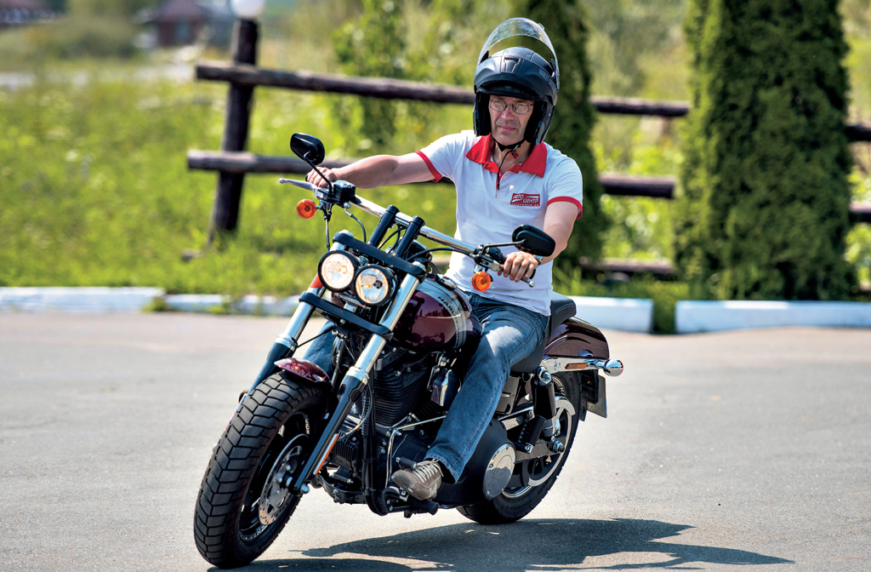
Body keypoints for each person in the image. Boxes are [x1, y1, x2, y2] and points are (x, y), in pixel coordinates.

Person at [303, 18, 583, 501]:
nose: (506, 114)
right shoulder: (464, 150)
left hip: (519, 307)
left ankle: (439, 464)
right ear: (484, 104)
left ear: (538, 112)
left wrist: (531, 255)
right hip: (461, 292)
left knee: (492, 351)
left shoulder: (559, 169)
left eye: (518, 105)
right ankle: (295, 406)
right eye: (498, 102)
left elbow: (559, 226)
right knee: (367, 310)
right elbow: (396, 166)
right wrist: (340, 176)